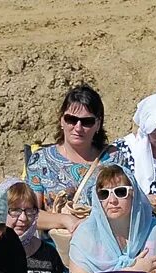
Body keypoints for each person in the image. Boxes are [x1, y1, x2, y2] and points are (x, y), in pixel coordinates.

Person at [27, 84, 117, 236]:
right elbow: (29, 215)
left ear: (98, 124)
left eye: (87, 121)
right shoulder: (40, 160)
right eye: (71, 119)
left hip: (104, 247)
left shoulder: (114, 159)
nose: (78, 127)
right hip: (57, 250)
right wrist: (66, 220)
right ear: (61, 120)